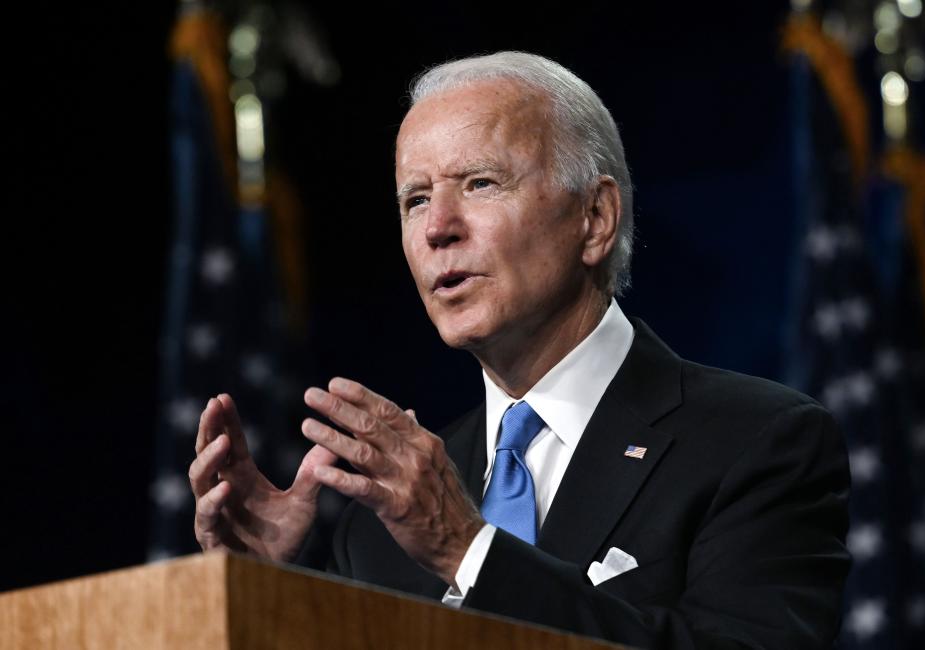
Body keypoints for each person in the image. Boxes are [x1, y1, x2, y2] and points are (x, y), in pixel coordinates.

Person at [189, 51, 850, 648]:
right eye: (415, 199)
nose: (438, 228)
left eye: (480, 183)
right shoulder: (382, 526)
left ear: (594, 220)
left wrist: (467, 550)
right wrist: (267, 596)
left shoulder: (757, 443)